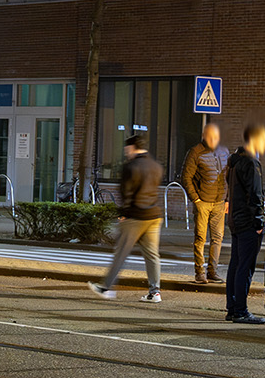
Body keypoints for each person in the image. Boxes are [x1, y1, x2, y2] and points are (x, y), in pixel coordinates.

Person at [89, 134, 164, 303]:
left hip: (135, 216)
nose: (126, 153)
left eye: (127, 149)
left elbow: (126, 193)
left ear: (132, 147)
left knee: (121, 253)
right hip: (153, 215)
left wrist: (123, 213)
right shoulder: (156, 166)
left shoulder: (130, 166)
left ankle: (107, 288)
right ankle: (155, 292)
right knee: (152, 255)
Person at [223, 123, 265, 324]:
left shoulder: (234, 162)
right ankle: (241, 310)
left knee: (235, 264)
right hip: (249, 221)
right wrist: (260, 221)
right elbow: (255, 195)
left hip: (235, 219)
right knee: (246, 265)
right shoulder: (251, 163)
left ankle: (232, 308)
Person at [182, 121, 230, 285]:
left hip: (219, 202)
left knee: (218, 238)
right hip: (203, 201)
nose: (213, 139)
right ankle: (199, 272)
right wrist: (196, 199)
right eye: (210, 136)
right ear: (204, 136)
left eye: (216, 137)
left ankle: (212, 272)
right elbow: (186, 177)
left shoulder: (224, 152)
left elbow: (228, 177)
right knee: (200, 238)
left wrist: (227, 199)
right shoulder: (195, 152)